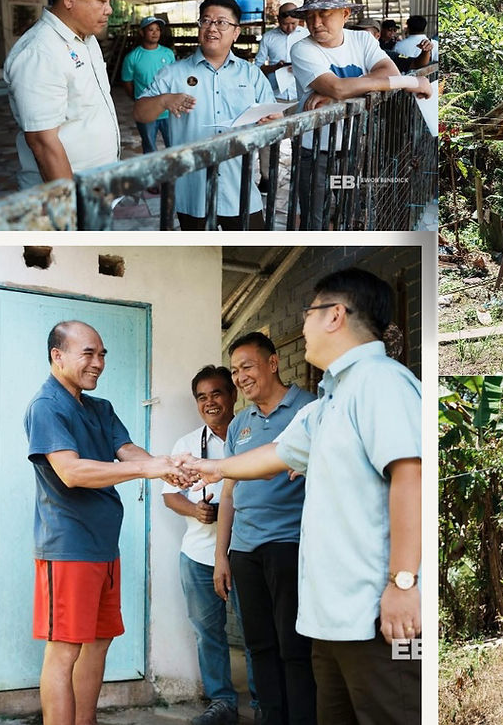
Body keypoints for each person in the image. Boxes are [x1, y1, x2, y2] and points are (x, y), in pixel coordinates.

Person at [184, 267, 421, 724]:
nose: (303, 324)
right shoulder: (331, 399)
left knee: (399, 709)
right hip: (332, 622)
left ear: (336, 316)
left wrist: (404, 583)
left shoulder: (382, 381)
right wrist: (209, 466)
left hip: (384, 617)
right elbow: (275, 453)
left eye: (308, 313)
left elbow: (411, 475)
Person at [24, 321, 187, 725]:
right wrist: (147, 471)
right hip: (67, 547)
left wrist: (166, 467)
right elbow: (72, 471)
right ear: (57, 356)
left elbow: (128, 450)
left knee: (98, 643)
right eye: (88, 354)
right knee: (64, 651)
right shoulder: (46, 406)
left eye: (102, 355)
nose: (98, 363)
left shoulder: (100, 407)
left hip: (103, 546)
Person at [216, 332, 316, 725]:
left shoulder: (308, 409)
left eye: (247, 366)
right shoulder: (240, 423)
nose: (240, 377)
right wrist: (220, 555)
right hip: (244, 550)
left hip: (289, 544)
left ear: (273, 363)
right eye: (235, 370)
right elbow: (228, 494)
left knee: (294, 645)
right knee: (259, 646)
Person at [287, 0, 432, 230]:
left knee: (348, 208)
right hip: (313, 150)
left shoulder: (361, 41)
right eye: (310, 16)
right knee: (315, 215)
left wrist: (337, 96)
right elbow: (338, 87)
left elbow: (389, 70)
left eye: (324, 14)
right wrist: (406, 81)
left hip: (350, 146)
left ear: (345, 14)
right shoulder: (302, 48)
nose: (316, 22)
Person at [134, 0, 281, 231]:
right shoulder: (173, 73)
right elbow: (140, 113)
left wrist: (272, 122)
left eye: (221, 22)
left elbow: (274, 122)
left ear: (236, 32)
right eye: (206, 21)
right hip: (192, 190)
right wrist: (164, 100)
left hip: (239, 188)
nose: (212, 27)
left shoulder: (251, 75)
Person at [162, 366, 258, 725]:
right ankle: (222, 703)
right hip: (199, 555)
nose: (210, 402)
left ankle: (264, 701)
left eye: (217, 393)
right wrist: (197, 510)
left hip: (246, 552)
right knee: (208, 634)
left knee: (255, 632)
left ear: (233, 395)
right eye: (202, 397)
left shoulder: (252, 434)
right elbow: (171, 496)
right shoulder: (186, 444)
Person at [4, 0, 121, 189]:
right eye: (103, 0)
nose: (108, 9)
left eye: (109, 0)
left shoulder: (87, 40)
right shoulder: (40, 52)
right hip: (70, 199)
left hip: (96, 187)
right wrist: (70, 210)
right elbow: (42, 142)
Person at [254, 3, 309, 193]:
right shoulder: (268, 37)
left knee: (301, 138)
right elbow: (258, 66)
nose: (290, 28)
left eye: (294, 24)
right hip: (275, 96)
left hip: (300, 94)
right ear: (278, 20)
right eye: (286, 24)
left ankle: (301, 176)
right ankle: (267, 178)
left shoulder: (306, 35)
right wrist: (276, 67)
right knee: (268, 137)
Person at [121, 16, 175, 154]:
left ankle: (175, 174)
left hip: (168, 111)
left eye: (158, 29)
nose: (155, 32)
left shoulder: (168, 53)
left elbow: (175, 78)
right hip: (146, 111)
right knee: (149, 147)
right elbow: (127, 81)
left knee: (174, 147)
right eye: (151, 29)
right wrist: (138, 100)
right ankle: (152, 175)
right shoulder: (132, 57)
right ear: (142, 33)